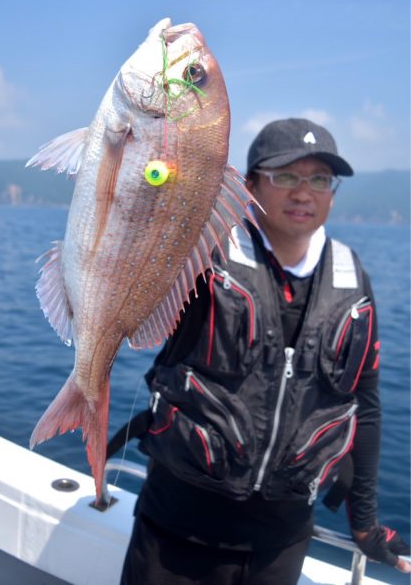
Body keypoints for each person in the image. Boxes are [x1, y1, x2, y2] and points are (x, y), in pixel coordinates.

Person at [119, 118, 410, 584]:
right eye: (286, 176)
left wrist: (365, 523)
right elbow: (136, 265)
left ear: (332, 192)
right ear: (249, 184)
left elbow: (366, 408)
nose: (303, 192)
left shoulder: (352, 279)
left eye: (319, 179)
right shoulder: (203, 254)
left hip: (280, 546)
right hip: (175, 531)